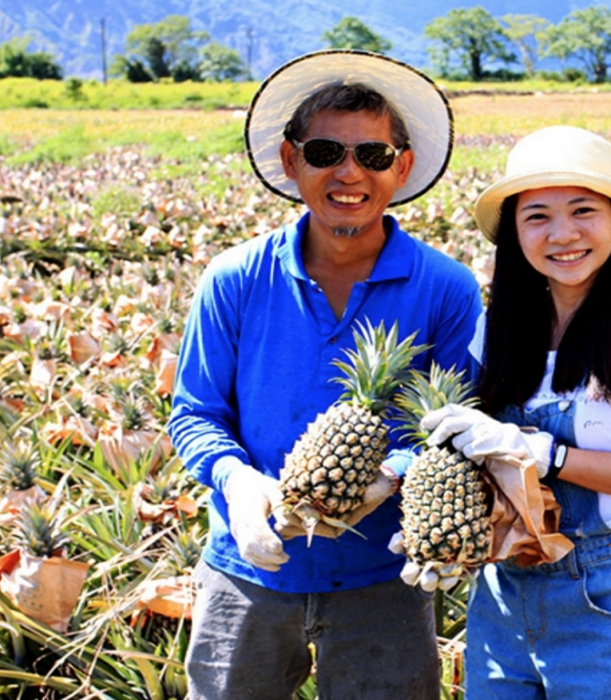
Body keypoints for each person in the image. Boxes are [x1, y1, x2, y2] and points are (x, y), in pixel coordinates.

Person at [167, 50, 482, 700]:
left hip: (382, 576)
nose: (348, 173)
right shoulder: (234, 279)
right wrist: (237, 480)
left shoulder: (446, 289)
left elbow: (459, 421)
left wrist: (394, 470)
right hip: (246, 570)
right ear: (291, 161)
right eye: (325, 152)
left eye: (371, 155)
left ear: (402, 166)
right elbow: (195, 412)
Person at [422, 125, 611, 699]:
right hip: (503, 592)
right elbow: (465, 444)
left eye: (582, 211)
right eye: (538, 217)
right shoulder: (496, 326)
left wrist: (547, 453)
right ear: (515, 233)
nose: (563, 234)